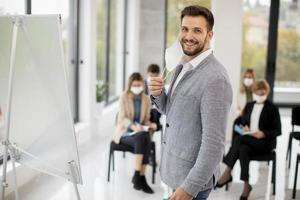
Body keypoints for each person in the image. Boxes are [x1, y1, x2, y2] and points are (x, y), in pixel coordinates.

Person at [148, 5, 233, 200]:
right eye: (185, 29)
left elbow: (213, 144)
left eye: (197, 30)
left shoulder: (216, 79)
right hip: (174, 172)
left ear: (209, 35)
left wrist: (189, 188)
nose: (188, 36)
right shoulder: (181, 65)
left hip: (192, 183)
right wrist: (157, 94)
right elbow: (170, 110)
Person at [216, 80, 281, 200]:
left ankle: (227, 173)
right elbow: (243, 122)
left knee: (240, 140)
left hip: (265, 143)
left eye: (262, 94)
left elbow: (278, 131)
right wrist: (244, 127)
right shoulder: (249, 105)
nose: (260, 96)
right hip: (249, 141)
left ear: (266, 92)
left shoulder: (272, 108)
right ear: (254, 92)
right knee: (243, 149)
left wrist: (263, 133)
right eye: (257, 93)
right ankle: (246, 186)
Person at [113, 72, 157, 194]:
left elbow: (146, 119)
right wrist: (133, 127)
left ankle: (138, 176)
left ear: (142, 85)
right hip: (125, 133)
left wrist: (150, 125)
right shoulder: (124, 97)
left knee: (143, 137)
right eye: (134, 85)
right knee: (143, 138)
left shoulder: (146, 99)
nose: (137, 87)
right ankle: (140, 177)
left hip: (140, 134)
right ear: (130, 85)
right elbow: (122, 119)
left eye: (139, 85)